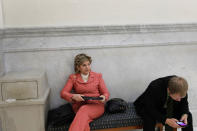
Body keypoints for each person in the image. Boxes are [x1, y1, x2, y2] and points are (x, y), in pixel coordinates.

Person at [61, 53, 110, 131]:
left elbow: (106, 93)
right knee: (84, 122)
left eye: (89, 64)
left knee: (84, 110)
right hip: (79, 107)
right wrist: (73, 96)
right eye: (84, 65)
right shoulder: (73, 78)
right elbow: (63, 93)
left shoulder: (98, 76)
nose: (87, 67)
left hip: (96, 106)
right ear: (78, 67)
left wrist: (104, 97)